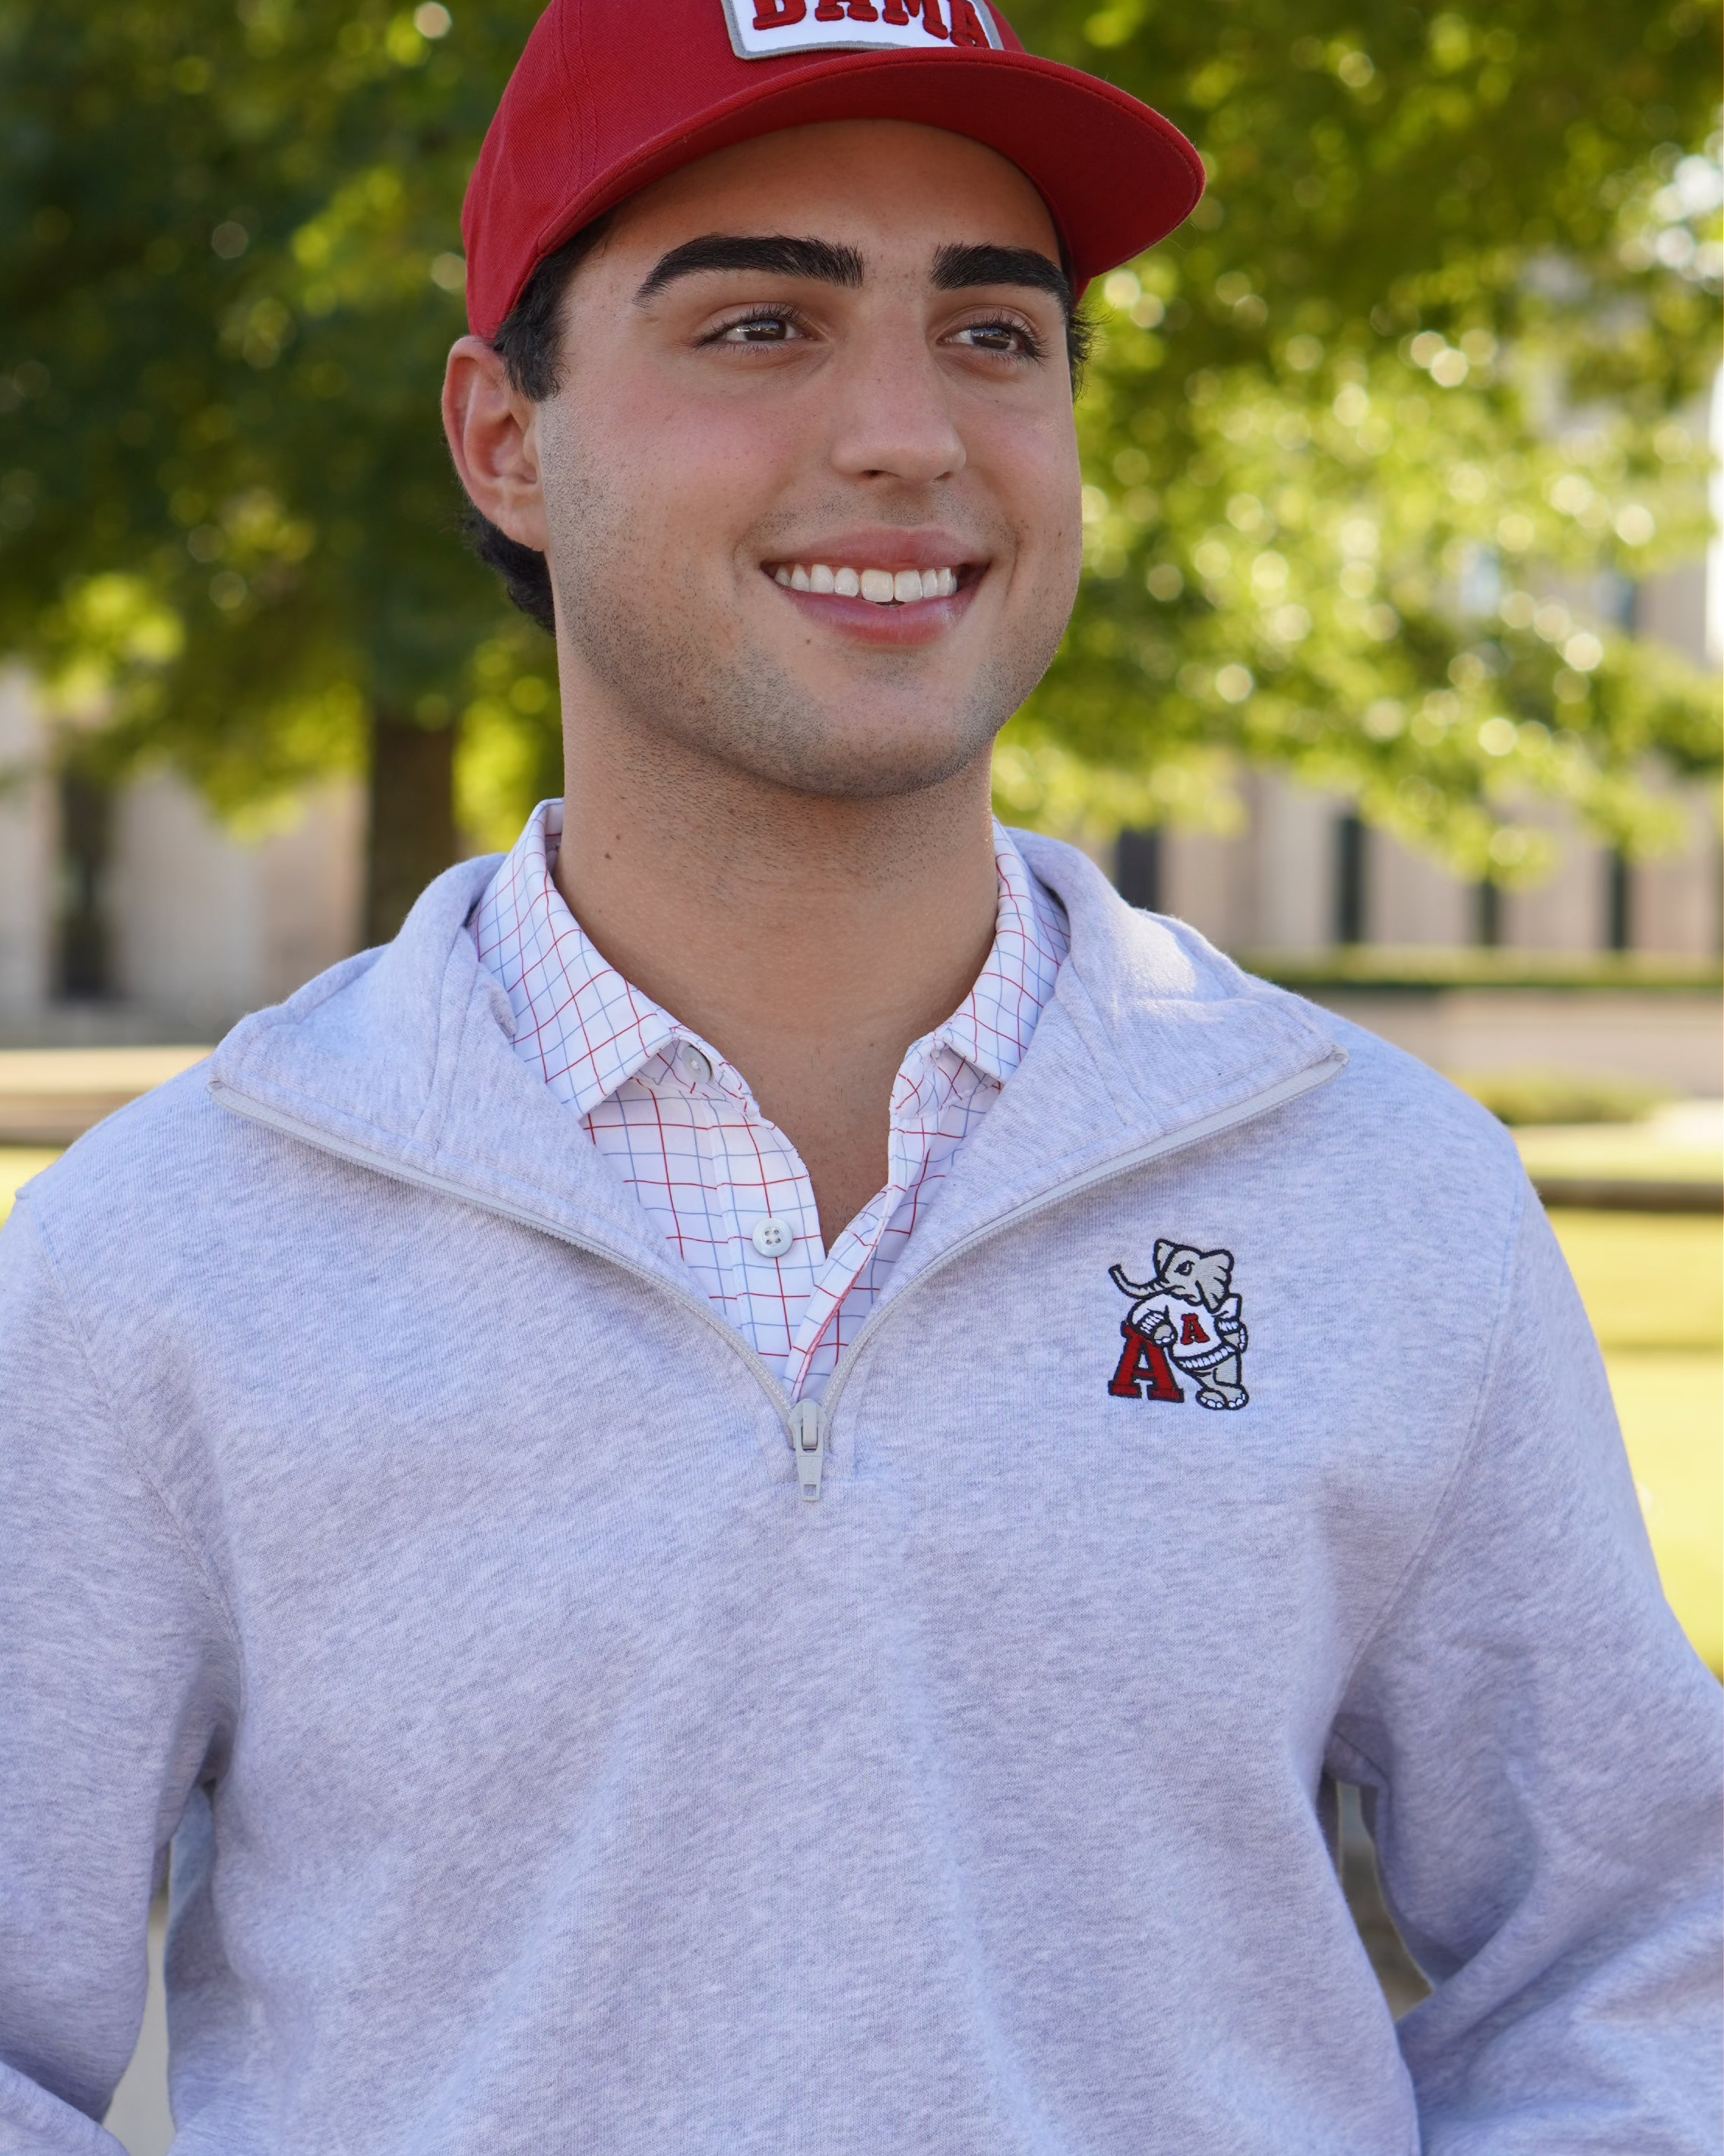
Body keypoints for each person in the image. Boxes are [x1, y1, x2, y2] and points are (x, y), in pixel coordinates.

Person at [1, 0, 1718, 2146]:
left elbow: (1636, 1955)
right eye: (757, 328)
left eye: (993, 336)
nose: (909, 433)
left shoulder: (1377, 1197)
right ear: (502, 436)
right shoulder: (169, 1255)